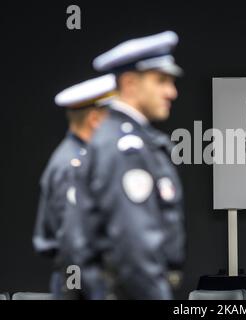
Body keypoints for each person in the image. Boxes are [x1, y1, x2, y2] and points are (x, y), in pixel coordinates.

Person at [73, 31, 185, 299]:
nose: (172, 92)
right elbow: (134, 246)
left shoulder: (126, 138)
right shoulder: (125, 147)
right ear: (131, 83)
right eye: (161, 81)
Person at [33, 74, 116, 299]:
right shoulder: (72, 166)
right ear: (95, 120)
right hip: (78, 281)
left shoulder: (83, 159)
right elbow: (73, 246)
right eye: (112, 117)